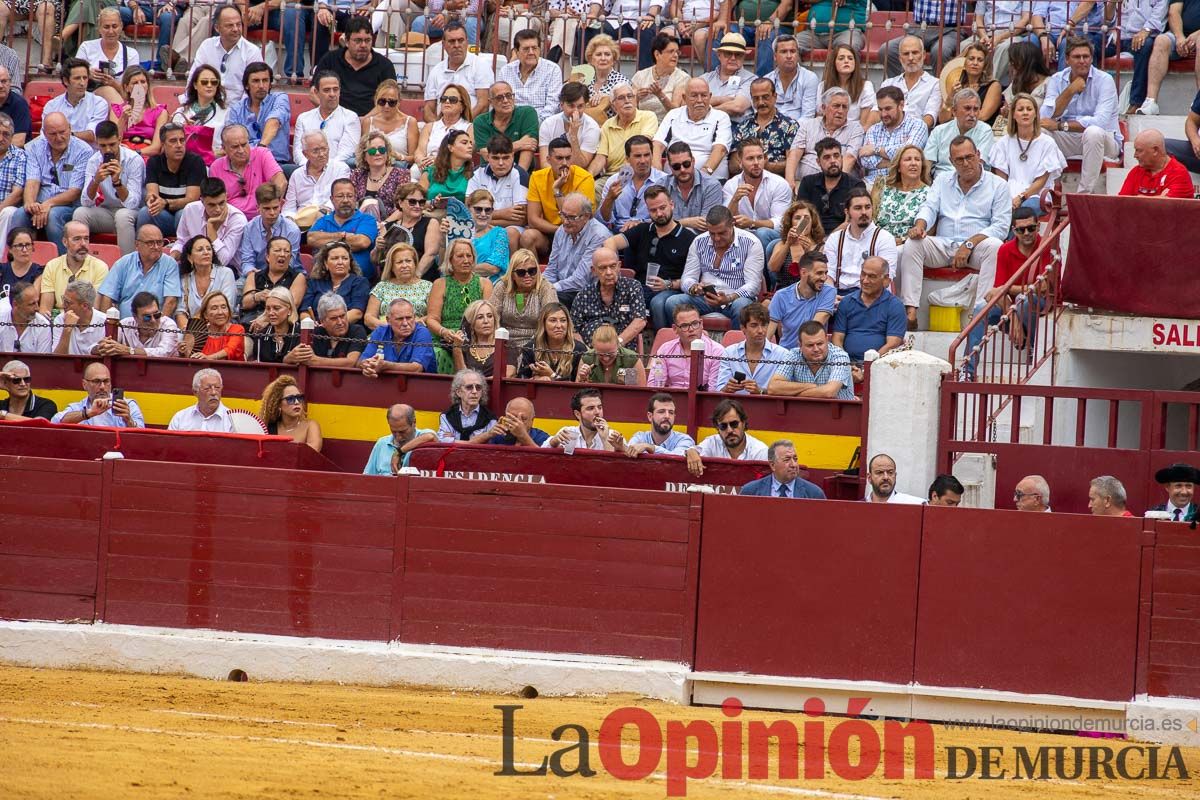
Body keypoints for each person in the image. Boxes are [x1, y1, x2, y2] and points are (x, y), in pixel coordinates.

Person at [899, 137, 1010, 329]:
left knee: (995, 247)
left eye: (969, 157)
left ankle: (980, 313)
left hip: (977, 248)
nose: (966, 163)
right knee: (912, 244)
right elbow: (929, 208)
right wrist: (920, 226)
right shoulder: (943, 180)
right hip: (944, 244)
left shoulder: (998, 185)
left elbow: (1000, 227)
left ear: (979, 156)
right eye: (959, 159)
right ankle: (910, 311)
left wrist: (969, 244)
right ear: (951, 162)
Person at [962, 207, 1053, 378]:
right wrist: (1014, 321)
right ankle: (967, 370)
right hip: (1014, 310)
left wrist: (1010, 288)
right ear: (1014, 231)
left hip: (1039, 306)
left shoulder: (1045, 246)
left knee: (1023, 299)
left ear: (1038, 227)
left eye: (1031, 228)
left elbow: (1043, 287)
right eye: (1021, 229)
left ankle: (1034, 349)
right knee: (981, 309)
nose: (1026, 233)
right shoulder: (1005, 250)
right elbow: (998, 294)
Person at [604, 185, 695, 330]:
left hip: (670, 289)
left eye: (662, 207)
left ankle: (662, 343)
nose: (659, 213)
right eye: (653, 210)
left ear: (672, 205)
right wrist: (612, 267)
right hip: (640, 287)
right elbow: (610, 242)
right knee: (614, 297)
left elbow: (693, 278)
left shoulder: (688, 238)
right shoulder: (643, 230)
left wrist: (669, 284)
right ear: (648, 211)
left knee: (658, 303)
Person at [1040, 36, 1122, 196]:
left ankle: (1083, 195)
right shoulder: (1057, 79)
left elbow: (1100, 122)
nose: (1082, 61)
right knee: (1042, 133)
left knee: (1093, 132)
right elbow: (1046, 116)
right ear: (1067, 60)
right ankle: (1051, 190)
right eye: (1077, 57)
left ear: (1092, 59)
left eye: (1086, 57)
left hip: (1105, 142)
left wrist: (1060, 125)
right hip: (1071, 138)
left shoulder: (1105, 80)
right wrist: (1070, 90)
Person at [669, 206, 763, 328]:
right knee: (673, 302)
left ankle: (736, 345)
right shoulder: (699, 241)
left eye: (722, 233)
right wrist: (694, 287)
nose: (717, 238)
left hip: (735, 298)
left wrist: (729, 298)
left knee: (741, 306)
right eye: (712, 233)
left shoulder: (751, 243)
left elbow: (753, 285)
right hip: (704, 298)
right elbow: (687, 277)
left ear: (732, 224)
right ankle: (683, 345)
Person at [13, 112, 91, 252]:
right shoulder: (35, 147)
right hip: (42, 202)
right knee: (20, 213)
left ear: (69, 128)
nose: (59, 138)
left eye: (62, 132)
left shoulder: (83, 150)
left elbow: (74, 191)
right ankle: (17, 263)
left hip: (69, 204)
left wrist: (47, 205)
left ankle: (64, 263)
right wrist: (30, 204)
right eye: (53, 134)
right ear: (44, 133)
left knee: (53, 216)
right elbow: (32, 180)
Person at [71, 120, 144, 254]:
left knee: (123, 215)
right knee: (80, 213)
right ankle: (81, 262)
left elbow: (133, 204)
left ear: (120, 140)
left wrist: (117, 182)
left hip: (132, 213)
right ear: (97, 144)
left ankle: (126, 266)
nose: (108, 150)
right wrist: (96, 181)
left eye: (112, 144)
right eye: (103, 146)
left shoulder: (134, 160)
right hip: (107, 212)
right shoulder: (94, 161)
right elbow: (86, 202)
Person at [990, 92, 1067, 213]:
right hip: (1008, 195)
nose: (1025, 112)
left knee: (1023, 211)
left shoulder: (1047, 143)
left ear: (1036, 114)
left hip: (1036, 195)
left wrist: (1021, 198)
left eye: (1029, 109)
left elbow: (1041, 181)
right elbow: (1001, 180)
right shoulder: (1003, 143)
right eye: (1020, 109)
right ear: (1014, 115)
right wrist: (1007, 199)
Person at [425, 239, 494, 372]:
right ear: (450, 260)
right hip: (446, 338)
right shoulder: (440, 284)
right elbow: (432, 319)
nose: (466, 260)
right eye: (460, 256)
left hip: (476, 338)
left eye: (469, 256)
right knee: (437, 354)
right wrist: (444, 332)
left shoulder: (485, 283)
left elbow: (489, 318)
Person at [522, 136, 596, 258]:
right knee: (528, 236)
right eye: (559, 158)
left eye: (568, 158)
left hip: (577, 234)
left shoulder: (585, 178)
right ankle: (533, 274)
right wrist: (560, 231)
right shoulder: (537, 177)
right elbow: (533, 219)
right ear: (548, 159)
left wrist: (557, 190)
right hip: (550, 232)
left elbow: (576, 220)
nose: (565, 163)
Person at [313, 17, 398, 117]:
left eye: (367, 40)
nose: (363, 45)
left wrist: (364, 120)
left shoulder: (384, 65)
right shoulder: (330, 60)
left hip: (371, 122)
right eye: (358, 40)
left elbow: (392, 99)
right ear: (347, 41)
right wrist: (337, 117)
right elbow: (313, 93)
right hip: (335, 119)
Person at [652, 78, 733, 179]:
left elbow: (720, 150)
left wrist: (701, 176)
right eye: (694, 96)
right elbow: (657, 145)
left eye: (704, 95)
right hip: (673, 181)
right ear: (684, 98)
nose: (699, 100)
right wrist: (657, 175)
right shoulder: (673, 115)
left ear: (710, 96)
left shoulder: (721, 117)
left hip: (710, 181)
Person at [723, 139, 792, 258]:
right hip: (741, 234)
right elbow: (725, 222)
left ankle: (763, 275)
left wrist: (752, 223)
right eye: (750, 158)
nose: (756, 163)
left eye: (759, 157)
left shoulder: (779, 184)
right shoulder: (731, 185)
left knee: (762, 233)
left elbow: (781, 223)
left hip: (771, 235)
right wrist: (735, 200)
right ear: (740, 161)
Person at [823, 188, 899, 294]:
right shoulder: (835, 238)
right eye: (858, 208)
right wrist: (831, 297)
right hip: (838, 294)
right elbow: (827, 275)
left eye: (867, 207)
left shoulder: (885, 238)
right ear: (847, 212)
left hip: (871, 295)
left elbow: (886, 278)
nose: (864, 212)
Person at [183, 5, 262, 108]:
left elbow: (253, 91)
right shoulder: (207, 46)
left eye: (238, 24)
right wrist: (188, 106)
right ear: (217, 27)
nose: (235, 29)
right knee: (176, 118)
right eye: (230, 25)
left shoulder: (252, 52)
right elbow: (193, 80)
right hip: (206, 107)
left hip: (237, 111)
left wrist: (235, 113)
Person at [139, 123, 207, 241]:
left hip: (187, 216)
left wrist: (165, 202)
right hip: (164, 216)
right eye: (173, 141)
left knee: (183, 213)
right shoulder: (154, 162)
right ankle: (139, 251)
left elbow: (192, 200)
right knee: (145, 212)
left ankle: (184, 251)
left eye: (182, 140)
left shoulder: (195, 162)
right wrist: (151, 201)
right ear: (163, 145)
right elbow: (152, 193)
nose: (179, 145)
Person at [541, 193, 610, 308]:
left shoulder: (598, 236)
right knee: (524, 296)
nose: (565, 221)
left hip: (588, 294)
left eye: (572, 217)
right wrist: (538, 286)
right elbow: (551, 269)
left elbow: (580, 281)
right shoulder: (561, 231)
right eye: (563, 215)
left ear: (586, 216)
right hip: (561, 290)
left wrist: (549, 289)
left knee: (548, 301)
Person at [831, 256, 906, 361]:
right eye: (863, 274)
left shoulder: (895, 306)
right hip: (846, 363)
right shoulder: (847, 302)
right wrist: (845, 364)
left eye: (872, 276)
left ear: (886, 280)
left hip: (880, 363)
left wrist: (868, 364)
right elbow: (837, 338)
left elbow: (893, 343)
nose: (865, 281)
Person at [99, 226, 181, 319]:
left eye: (159, 242)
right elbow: (107, 296)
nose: (156, 247)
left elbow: (171, 301)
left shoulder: (169, 264)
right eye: (150, 243)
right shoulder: (124, 263)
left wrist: (159, 327)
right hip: (124, 326)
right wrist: (109, 327)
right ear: (137, 245)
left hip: (155, 324)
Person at [571, 247, 649, 345]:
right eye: (602, 268)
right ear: (593, 270)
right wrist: (586, 352)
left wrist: (618, 343)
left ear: (619, 266)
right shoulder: (584, 294)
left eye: (612, 266)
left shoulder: (632, 287)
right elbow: (573, 329)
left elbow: (640, 320)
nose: (609, 272)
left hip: (622, 349)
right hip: (590, 352)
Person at [785, 87, 863, 184]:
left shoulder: (855, 129)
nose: (840, 111)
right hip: (804, 182)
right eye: (836, 106)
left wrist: (835, 184)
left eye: (844, 107)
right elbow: (794, 154)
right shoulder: (808, 125)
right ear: (823, 108)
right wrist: (789, 181)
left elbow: (850, 158)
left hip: (838, 182)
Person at [209, 125, 287, 221]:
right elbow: (216, 200)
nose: (241, 150)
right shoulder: (216, 167)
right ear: (224, 148)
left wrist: (270, 207)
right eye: (235, 147)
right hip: (233, 221)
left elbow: (281, 182)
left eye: (244, 144)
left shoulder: (262, 154)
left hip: (264, 218)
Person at [488, 249, 558, 354]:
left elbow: (551, 321)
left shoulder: (546, 288)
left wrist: (531, 348)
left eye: (532, 271)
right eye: (521, 272)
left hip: (537, 345)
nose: (527, 275)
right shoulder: (502, 286)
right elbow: (492, 318)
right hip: (504, 344)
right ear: (512, 274)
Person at [591, 89, 661, 194]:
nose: (627, 101)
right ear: (613, 106)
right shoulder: (607, 124)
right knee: (593, 187)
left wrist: (624, 175)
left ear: (636, 100)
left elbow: (641, 145)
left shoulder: (648, 116)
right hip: (611, 176)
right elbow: (601, 156)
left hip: (637, 173)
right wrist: (588, 175)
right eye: (621, 98)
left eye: (630, 96)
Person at [308, 179, 380, 280]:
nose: (345, 200)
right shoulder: (323, 220)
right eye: (340, 196)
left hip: (360, 281)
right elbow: (312, 239)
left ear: (355, 198)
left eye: (350, 196)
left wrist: (326, 241)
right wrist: (342, 236)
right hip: (326, 281)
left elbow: (362, 242)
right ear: (332, 199)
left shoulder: (367, 219)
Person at [423, 21, 494, 123]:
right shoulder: (436, 71)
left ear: (467, 42)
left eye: (460, 40)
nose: (456, 45)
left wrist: (461, 126)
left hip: (471, 126)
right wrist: (437, 127)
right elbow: (428, 109)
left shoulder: (480, 65)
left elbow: (483, 105)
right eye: (451, 41)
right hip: (441, 129)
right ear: (443, 44)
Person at [225, 63, 292, 171]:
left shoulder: (280, 98)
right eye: (256, 81)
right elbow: (233, 140)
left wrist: (260, 150)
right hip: (245, 164)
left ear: (270, 84)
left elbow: (274, 122)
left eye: (265, 80)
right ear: (246, 85)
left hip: (277, 163)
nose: (261, 85)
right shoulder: (236, 109)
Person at [768, 320, 857, 400]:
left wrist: (791, 393)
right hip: (803, 414)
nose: (816, 349)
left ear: (827, 340)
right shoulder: (793, 354)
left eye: (820, 343)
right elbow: (773, 387)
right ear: (800, 345)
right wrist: (809, 386)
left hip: (840, 415)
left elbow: (829, 392)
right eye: (810, 345)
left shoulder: (840, 356)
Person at [859, 87, 931, 186]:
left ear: (901, 105)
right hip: (873, 183)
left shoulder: (917, 125)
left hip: (903, 184)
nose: (883, 114)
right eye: (880, 109)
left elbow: (908, 154)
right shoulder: (873, 130)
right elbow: (865, 160)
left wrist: (876, 150)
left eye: (888, 109)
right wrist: (900, 162)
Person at [171, 178, 248, 270]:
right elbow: (182, 241)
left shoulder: (238, 220)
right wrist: (173, 255)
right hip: (197, 264)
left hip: (229, 269)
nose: (218, 209)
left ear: (226, 197)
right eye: (212, 205)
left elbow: (222, 261)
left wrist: (211, 230)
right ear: (202, 201)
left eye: (221, 203)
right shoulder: (190, 210)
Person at [1133, 0, 1193, 115]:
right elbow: (1174, 12)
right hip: (1181, 35)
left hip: (1198, 36)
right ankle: (1151, 102)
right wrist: (1180, 36)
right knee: (1161, 40)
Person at [715, 302, 789, 394]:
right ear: (743, 328)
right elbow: (719, 390)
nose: (760, 331)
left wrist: (761, 392)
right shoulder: (729, 352)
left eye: (764, 325)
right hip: (734, 406)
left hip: (769, 407)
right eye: (754, 325)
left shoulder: (783, 354)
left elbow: (785, 391)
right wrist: (727, 388)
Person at [732, 78, 798, 179]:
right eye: (756, 98)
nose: (761, 102)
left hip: (777, 182)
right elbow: (733, 164)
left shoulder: (790, 126)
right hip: (747, 182)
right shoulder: (742, 127)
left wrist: (768, 166)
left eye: (765, 97)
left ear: (775, 97)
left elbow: (793, 162)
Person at [647, 302, 724, 389]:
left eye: (695, 324)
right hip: (671, 400)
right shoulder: (665, 349)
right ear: (675, 329)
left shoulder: (717, 351)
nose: (691, 329)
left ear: (701, 324)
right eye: (684, 326)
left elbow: (713, 391)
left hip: (702, 400)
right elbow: (655, 384)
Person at [796, 138, 865, 233]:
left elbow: (852, 221)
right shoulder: (808, 182)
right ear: (818, 162)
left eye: (836, 156)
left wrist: (828, 241)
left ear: (841, 158)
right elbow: (801, 217)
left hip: (843, 237)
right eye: (827, 157)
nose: (833, 161)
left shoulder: (855, 185)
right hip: (811, 235)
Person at [283, 132, 350, 229]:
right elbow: (289, 207)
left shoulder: (341, 169)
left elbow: (340, 199)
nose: (322, 154)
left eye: (324, 149)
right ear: (305, 154)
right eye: (315, 151)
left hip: (330, 220)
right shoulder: (296, 175)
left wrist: (322, 212)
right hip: (301, 224)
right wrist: (289, 219)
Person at [38, 223, 108, 315]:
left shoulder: (100, 267)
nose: (83, 244)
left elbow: (93, 310)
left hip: (87, 324)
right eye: (77, 239)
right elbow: (45, 309)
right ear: (65, 242)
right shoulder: (52, 266)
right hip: (58, 323)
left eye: (86, 238)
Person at [768, 253, 836, 347]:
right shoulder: (781, 296)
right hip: (787, 355)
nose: (824, 278)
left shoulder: (829, 292)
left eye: (826, 273)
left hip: (815, 354)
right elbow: (768, 333)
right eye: (819, 273)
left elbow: (814, 329)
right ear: (803, 272)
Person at [685, 399, 769, 476]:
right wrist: (691, 451)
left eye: (734, 424)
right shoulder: (712, 443)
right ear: (717, 428)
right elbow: (694, 451)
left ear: (743, 423)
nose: (729, 430)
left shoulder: (760, 451)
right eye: (723, 426)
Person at [293, 72, 360, 168]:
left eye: (335, 89)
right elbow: (298, 152)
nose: (332, 94)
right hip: (307, 171)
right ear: (316, 92)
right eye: (327, 90)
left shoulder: (351, 117)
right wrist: (310, 168)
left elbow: (346, 152)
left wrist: (325, 170)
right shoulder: (303, 118)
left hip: (337, 171)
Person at [77, 8, 142, 105]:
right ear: (99, 28)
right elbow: (73, 77)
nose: (111, 31)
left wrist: (113, 84)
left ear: (121, 27)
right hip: (88, 97)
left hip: (121, 97)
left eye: (114, 26)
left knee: (109, 91)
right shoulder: (86, 47)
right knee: (108, 91)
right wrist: (88, 74)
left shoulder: (131, 54)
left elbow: (134, 91)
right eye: (106, 27)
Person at [871, 144, 933, 246]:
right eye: (908, 159)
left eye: (917, 159)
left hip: (908, 245)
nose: (913, 163)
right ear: (898, 167)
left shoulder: (929, 193)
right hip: (878, 241)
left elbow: (929, 229)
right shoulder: (882, 185)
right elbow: (871, 217)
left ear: (922, 166)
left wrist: (902, 241)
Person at [286, 292, 367, 368]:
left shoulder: (357, 331)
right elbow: (288, 359)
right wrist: (291, 357)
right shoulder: (314, 333)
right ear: (322, 321)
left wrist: (315, 361)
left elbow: (351, 362)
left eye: (342, 316)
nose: (340, 322)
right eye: (333, 318)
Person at [498, 30, 564, 124]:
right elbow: (500, 101)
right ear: (516, 52)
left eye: (534, 48)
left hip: (541, 124)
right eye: (526, 49)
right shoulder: (506, 71)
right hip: (511, 123)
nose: (531, 52)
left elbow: (552, 106)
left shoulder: (552, 69)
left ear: (539, 50)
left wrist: (532, 125)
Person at [51, 361, 145, 427]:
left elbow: (142, 436)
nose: (102, 387)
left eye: (106, 381)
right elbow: (55, 421)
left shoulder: (127, 405)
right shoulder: (78, 407)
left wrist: (129, 420)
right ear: (84, 385)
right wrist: (90, 413)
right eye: (96, 381)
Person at [925, 89, 996, 176]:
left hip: (971, 182)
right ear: (954, 111)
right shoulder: (939, 131)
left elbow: (976, 167)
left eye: (976, 109)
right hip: (941, 182)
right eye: (967, 108)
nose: (972, 114)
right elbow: (926, 165)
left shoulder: (985, 131)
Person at [359, 298, 438, 376]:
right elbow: (362, 360)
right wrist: (366, 365)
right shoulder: (380, 331)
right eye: (400, 319)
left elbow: (417, 368)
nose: (405, 323)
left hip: (419, 385)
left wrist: (387, 365)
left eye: (409, 318)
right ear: (388, 320)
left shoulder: (422, 333)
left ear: (414, 317)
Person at [239, 185, 302, 278]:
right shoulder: (249, 228)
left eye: (275, 208)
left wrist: (267, 278)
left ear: (281, 205)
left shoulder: (292, 230)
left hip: (287, 276)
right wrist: (252, 273)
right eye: (267, 208)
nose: (272, 213)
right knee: (237, 288)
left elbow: (289, 263)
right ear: (258, 207)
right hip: (256, 275)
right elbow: (247, 261)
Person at [301, 241, 370, 325]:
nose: (340, 262)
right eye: (335, 258)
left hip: (346, 330)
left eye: (344, 258)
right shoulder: (314, 282)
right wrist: (310, 323)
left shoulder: (359, 282)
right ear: (325, 263)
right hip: (316, 330)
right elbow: (304, 312)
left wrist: (329, 325)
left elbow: (357, 313)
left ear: (350, 263)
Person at [474, 83, 539, 173]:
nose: (505, 100)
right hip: (490, 174)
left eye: (509, 96)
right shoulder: (480, 121)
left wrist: (519, 176)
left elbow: (528, 146)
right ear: (490, 102)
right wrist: (518, 145)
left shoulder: (527, 113)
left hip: (520, 172)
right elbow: (486, 154)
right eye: (499, 98)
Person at [367, 243, 433, 330]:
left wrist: (412, 324)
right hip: (386, 334)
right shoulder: (382, 287)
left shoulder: (428, 287)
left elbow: (434, 315)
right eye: (399, 262)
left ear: (415, 264)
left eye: (408, 261)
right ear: (392, 267)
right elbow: (368, 317)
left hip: (418, 333)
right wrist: (390, 328)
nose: (404, 265)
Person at [514, 302, 587, 381]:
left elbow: (579, 388)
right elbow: (521, 380)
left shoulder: (579, 349)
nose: (559, 326)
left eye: (563, 320)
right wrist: (536, 379)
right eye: (553, 320)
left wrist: (551, 375)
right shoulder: (531, 347)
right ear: (543, 324)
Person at [660, 142, 725, 231]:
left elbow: (709, 225)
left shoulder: (711, 185)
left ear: (693, 161)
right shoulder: (661, 185)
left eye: (686, 164)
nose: (682, 170)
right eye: (676, 166)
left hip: (700, 242)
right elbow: (656, 223)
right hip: (668, 239)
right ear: (670, 167)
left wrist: (671, 224)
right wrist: (686, 222)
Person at [172, 64, 227, 167]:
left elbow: (229, 146)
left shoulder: (226, 113)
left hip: (213, 163)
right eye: (204, 82)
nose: (209, 85)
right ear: (195, 85)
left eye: (214, 82)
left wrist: (215, 154)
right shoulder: (181, 113)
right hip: (184, 162)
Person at [44, 59, 109, 146]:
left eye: (85, 78)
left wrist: (64, 136)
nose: (82, 83)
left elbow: (92, 135)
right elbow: (45, 136)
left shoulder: (99, 103)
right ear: (66, 81)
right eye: (77, 78)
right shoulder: (51, 106)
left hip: (89, 157)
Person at [884, 18, 962, 88]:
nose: (910, 58)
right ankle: (900, 88)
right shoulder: (886, 83)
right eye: (907, 54)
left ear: (924, 55)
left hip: (949, 29)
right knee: (887, 49)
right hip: (918, 28)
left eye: (914, 53)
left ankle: (940, 89)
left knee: (940, 51)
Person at [539, 81, 601, 170]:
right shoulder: (548, 124)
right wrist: (558, 177)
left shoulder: (592, 127)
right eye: (571, 106)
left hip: (578, 176)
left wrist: (573, 136)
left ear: (585, 105)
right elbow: (545, 163)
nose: (575, 111)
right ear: (561, 104)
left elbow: (581, 165)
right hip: (553, 174)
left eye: (580, 106)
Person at [350, 134, 409, 226]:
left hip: (390, 226)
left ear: (387, 153)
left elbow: (404, 207)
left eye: (382, 150)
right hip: (359, 225)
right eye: (372, 150)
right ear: (364, 156)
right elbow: (351, 203)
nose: (377, 153)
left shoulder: (401, 174)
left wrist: (384, 224)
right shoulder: (357, 174)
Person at [109, 67, 169, 157]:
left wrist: (134, 153)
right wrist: (123, 119)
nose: (140, 86)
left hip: (146, 155)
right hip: (121, 154)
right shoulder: (117, 110)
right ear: (126, 87)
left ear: (148, 86)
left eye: (143, 82)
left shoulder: (160, 112)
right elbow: (112, 141)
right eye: (135, 83)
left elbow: (156, 148)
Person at [941, 43, 1003, 128]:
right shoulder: (955, 84)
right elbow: (943, 120)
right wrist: (950, 97)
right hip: (953, 131)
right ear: (963, 61)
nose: (975, 63)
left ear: (985, 65)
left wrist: (954, 118)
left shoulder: (994, 85)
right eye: (971, 59)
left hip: (980, 132)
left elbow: (983, 116)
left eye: (980, 60)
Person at [363, 404, 437, 475]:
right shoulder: (382, 444)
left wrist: (398, 453)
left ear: (414, 422)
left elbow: (430, 437)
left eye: (402, 432)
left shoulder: (422, 436)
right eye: (394, 431)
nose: (398, 437)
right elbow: (367, 478)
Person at [631, 33, 690, 121]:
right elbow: (630, 108)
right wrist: (636, 98)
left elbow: (676, 112)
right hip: (642, 125)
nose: (676, 55)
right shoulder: (640, 76)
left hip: (667, 126)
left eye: (677, 52)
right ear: (657, 54)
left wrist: (660, 95)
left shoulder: (682, 78)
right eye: (671, 51)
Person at [1119, 129, 1194, 198]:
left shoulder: (1179, 173)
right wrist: (1160, 197)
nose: (1135, 155)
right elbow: (1122, 203)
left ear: (1155, 150)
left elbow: (1167, 206)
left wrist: (1138, 199)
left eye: (1139, 151)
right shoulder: (1136, 171)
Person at [739, 440, 827, 499]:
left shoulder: (814, 494)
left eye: (795, 459)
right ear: (773, 465)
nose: (794, 465)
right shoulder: (750, 491)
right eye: (787, 460)